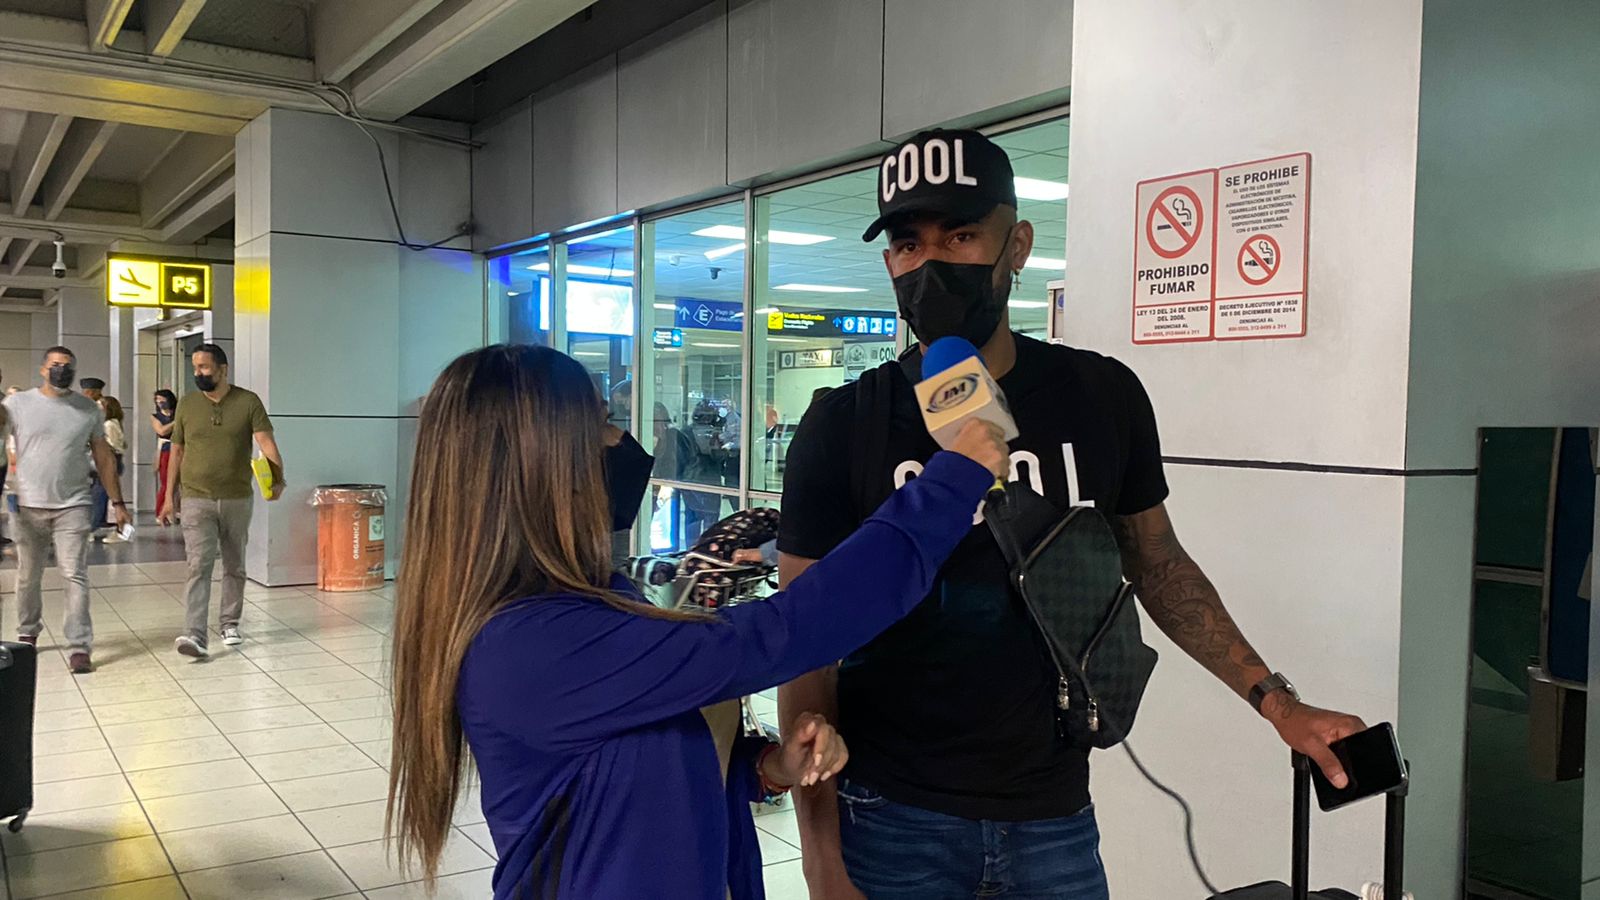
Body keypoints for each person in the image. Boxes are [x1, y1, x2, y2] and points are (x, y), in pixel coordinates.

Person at [776, 130, 1368, 899]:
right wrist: (822, 861)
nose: (931, 265)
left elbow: (1159, 565)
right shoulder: (844, 425)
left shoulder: (1100, 396)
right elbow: (802, 645)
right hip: (892, 819)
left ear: (1017, 245)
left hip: (1053, 818)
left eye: (961, 235)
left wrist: (1278, 705)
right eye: (908, 244)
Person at [383, 344, 1008, 900]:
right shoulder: (531, 646)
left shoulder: (588, 602)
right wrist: (952, 482)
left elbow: (637, 778)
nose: (620, 443)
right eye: (601, 424)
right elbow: (784, 631)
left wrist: (769, 770)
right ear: (538, 467)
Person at [0, 348, 130, 674]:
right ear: (43, 369)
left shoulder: (87, 409)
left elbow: (103, 457)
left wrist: (118, 503)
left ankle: (79, 646)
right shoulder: (18, 404)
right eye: (55, 365)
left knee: (75, 574)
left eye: (67, 366)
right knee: (28, 575)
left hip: (73, 504)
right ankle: (27, 631)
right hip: (27, 504)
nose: (61, 370)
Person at [158, 343, 285, 658]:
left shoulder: (248, 402)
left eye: (204, 367)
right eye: (195, 368)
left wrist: (277, 479)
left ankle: (230, 622)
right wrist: (168, 497)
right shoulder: (188, 404)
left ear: (223, 369)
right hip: (195, 498)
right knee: (198, 565)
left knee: (234, 563)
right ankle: (195, 634)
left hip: (237, 497)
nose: (198, 373)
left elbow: (266, 443)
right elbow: (177, 451)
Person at [95, 396, 128, 541]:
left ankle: (94, 525)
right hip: (114, 459)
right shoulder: (113, 423)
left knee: (100, 493)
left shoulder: (109, 424)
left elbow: (112, 445)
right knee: (101, 493)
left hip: (111, 460)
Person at [150, 389, 177, 519]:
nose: (160, 402)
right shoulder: (156, 417)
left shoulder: (177, 413)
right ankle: (161, 511)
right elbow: (161, 431)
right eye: (157, 400)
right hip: (166, 450)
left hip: (180, 448)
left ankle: (175, 510)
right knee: (166, 481)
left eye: (162, 399)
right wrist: (176, 422)